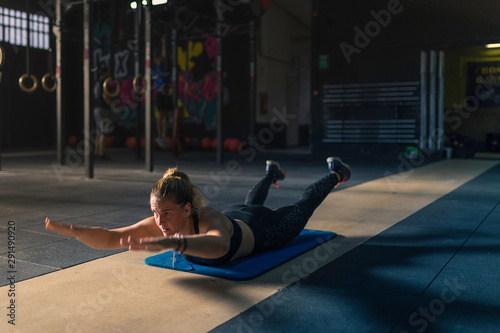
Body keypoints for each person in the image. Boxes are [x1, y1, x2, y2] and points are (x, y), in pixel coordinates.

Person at [45, 157, 351, 266]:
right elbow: (113, 238)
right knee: (248, 201)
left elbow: (217, 245)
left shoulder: (210, 220)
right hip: (240, 213)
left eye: (166, 213)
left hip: (263, 230)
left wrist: (168, 243)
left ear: (187, 208)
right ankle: (271, 174)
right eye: (155, 212)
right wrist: (72, 230)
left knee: (301, 207)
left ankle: (337, 173)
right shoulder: (165, 221)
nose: (159, 221)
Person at [153, 36, 173, 150]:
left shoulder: (165, 66)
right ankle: (160, 135)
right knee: (160, 115)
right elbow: (159, 56)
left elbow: (164, 55)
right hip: (160, 93)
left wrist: (164, 43)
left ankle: (164, 135)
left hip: (167, 92)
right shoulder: (156, 67)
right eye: (159, 57)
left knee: (167, 115)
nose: (161, 58)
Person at [93, 67, 114, 160]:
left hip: (96, 108)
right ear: (105, 73)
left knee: (99, 131)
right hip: (102, 109)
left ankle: (97, 152)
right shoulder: (103, 83)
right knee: (104, 131)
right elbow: (105, 96)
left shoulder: (97, 83)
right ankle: (101, 153)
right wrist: (113, 106)